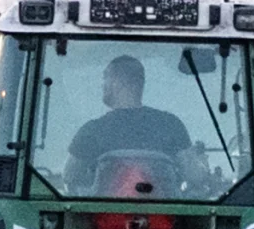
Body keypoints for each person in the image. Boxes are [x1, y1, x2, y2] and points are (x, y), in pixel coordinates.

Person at [58, 49, 196, 196]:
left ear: (119, 82)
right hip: (165, 216)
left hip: (103, 215)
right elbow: (195, 176)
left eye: (106, 77)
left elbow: (70, 175)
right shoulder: (171, 125)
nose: (102, 85)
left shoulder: (92, 131)